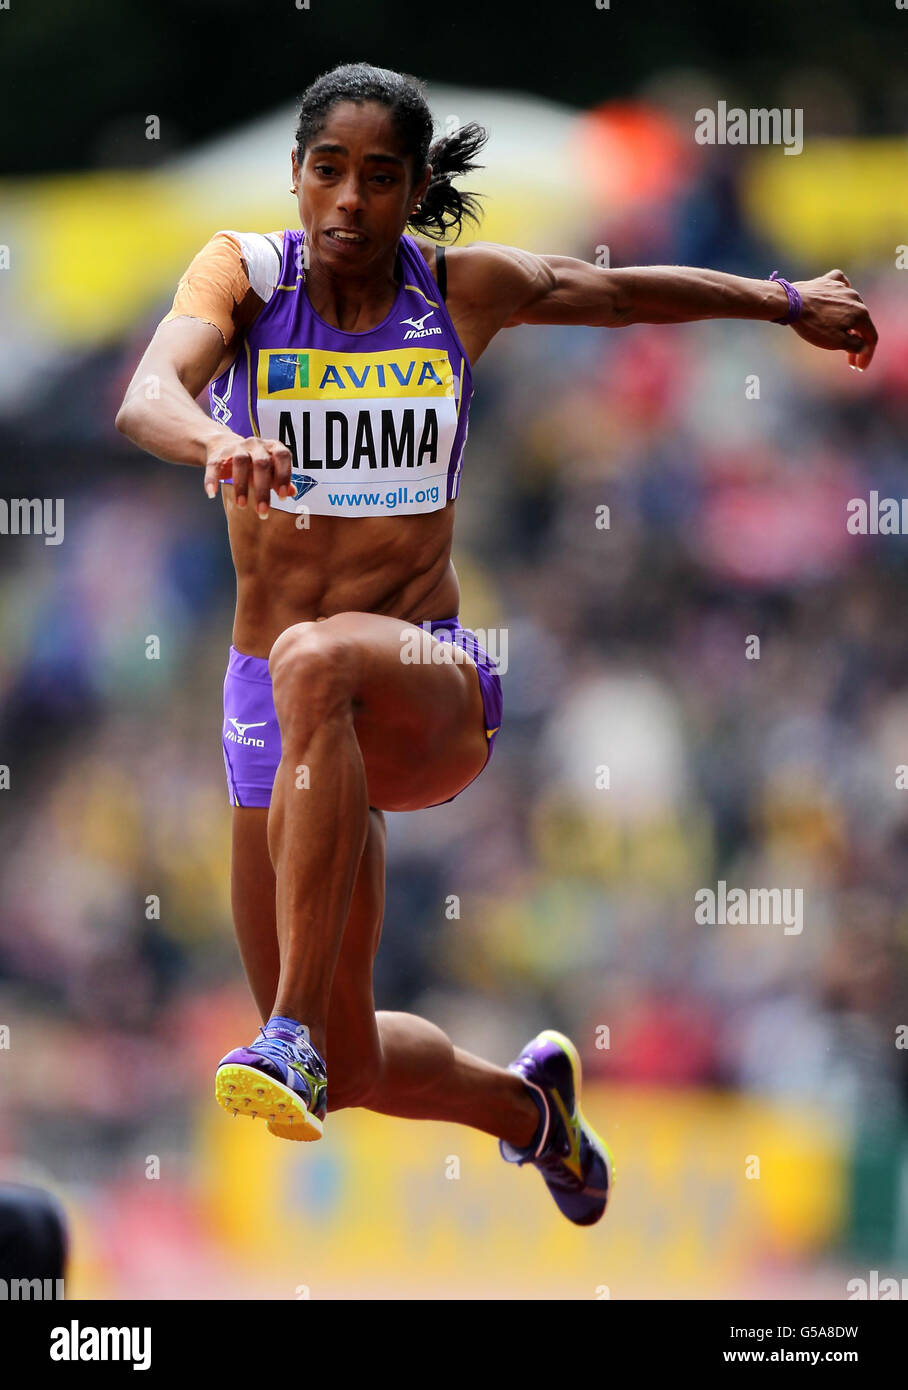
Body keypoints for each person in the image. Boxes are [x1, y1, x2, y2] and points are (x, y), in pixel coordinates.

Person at [115, 61, 877, 1228]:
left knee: (316, 657)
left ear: (414, 189)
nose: (350, 201)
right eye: (329, 172)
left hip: (425, 685)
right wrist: (213, 441)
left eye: (380, 178)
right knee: (351, 1061)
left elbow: (614, 294)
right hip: (273, 707)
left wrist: (782, 303)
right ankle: (534, 1115)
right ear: (296, 177)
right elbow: (149, 392)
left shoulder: (461, 290)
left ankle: (282, 1040)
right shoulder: (245, 278)